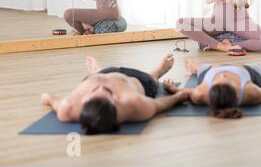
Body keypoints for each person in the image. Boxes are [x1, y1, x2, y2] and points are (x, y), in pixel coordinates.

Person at [40, 53, 188, 134]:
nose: (100, 87)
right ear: (115, 102)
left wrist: (47, 98)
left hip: (103, 73)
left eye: (97, 91)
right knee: (151, 79)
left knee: (99, 76)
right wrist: (177, 97)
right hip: (137, 79)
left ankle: (98, 70)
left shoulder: (68, 108)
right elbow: (158, 105)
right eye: (106, 92)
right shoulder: (134, 104)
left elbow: (50, 99)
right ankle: (157, 72)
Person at [163, 59, 261, 118]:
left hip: (209, 70)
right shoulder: (251, 93)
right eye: (225, 80)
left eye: (220, 81)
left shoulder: (200, 94)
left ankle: (196, 68)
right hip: (247, 71)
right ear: (237, 92)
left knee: (201, 70)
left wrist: (172, 88)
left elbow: (185, 93)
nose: (223, 76)